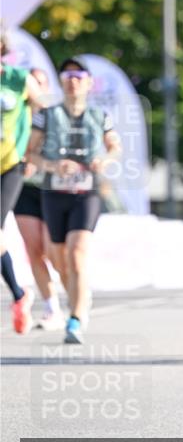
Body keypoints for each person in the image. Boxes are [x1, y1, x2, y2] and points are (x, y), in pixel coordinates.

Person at [27, 56, 121, 344]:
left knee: (77, 254)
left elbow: (114, 146)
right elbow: (30, 152)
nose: (73, 82)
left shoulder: (100, 116)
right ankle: (79, 297)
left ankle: (75, 319)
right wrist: (53, 166)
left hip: (86, 193)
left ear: (89, 83)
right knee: (59, 260)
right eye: (67, 77)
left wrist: (104, 160)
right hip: (54, 193)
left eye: (79, 76)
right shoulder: (47, 115)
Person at [14, 68, 64, 330]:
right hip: (23, 188)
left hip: (51, 188)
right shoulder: (14, 113)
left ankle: (76, 290)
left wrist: (39, 162)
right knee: (34, 250)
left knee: (53, 252)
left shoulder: (55, 116)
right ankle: (52, 308)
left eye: (41, 82)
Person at [1, 40, 44, 333]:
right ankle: (19, 295)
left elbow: (45, 115)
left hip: (11, 164)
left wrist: (34, 152)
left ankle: (19, 294)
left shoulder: (19, 79)